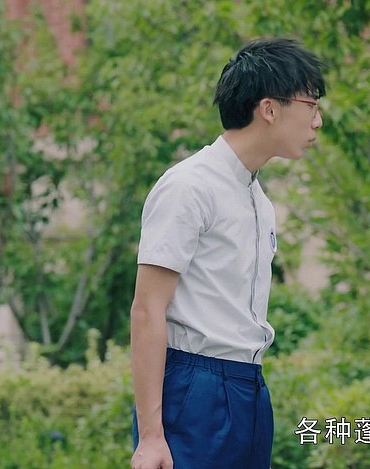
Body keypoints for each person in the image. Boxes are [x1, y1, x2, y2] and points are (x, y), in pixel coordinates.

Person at [129, 38, 325, 469]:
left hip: (248, 386)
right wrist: (151, 437)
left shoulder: (258, 200)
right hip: (193, 388)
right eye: (311, 105)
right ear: (269, 109)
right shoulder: (189, 187)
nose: (318, 121)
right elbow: (146, 310)